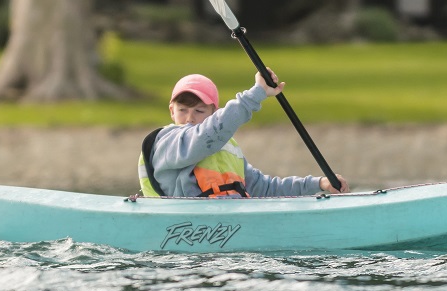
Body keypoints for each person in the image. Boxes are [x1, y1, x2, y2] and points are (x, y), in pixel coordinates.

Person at [137, 71, 346, 199]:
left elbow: (263, 188)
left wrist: (318, 184)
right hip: (188, 232)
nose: (189, 118)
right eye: (182, 110)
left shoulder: (228, 147)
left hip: (229, 228)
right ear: (171, 111)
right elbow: (204, 137)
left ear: (213, 114)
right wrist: (255, 95)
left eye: (199, 111)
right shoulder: (168, 142)